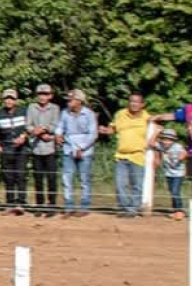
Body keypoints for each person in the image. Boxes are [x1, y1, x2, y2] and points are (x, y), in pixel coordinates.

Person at [99, 91, 150, 217]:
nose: (133, 104)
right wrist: (105, 130)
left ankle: (133, 210)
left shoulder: (147, 118)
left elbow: (156, 130)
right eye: (131, 101)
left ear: (142, 104)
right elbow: (113, 129)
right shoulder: (120, 114)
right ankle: (124, 207)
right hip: (121, 155)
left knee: (137, 185)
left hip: (138, 156)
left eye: (136, 102)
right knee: (120, 184)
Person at [55, 88, 98, 217]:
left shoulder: (89, 114)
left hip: (85, 152)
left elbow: (93, 134)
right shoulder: (64, 113)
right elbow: (60, 127)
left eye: (71, 100)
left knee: (84, 180)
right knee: (67, 179)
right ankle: (69, 207)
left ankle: (84, 207)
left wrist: (82, 148)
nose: (68, 102)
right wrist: (57, 135)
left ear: (79, 101)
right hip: (68, 149)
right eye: (68, 100)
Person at [0, 88, 29, 214]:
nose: (9, 101)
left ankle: (22, 203)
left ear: (16, 100)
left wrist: (24, 137)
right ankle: (10, 202)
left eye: (11, 98)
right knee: (8, 177)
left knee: (21, 175)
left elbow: (29, 127)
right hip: (6, 148)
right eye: (7, 98)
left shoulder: (23, 111)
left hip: (21, 149)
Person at [26, 84, 61, 216]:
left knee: (51, 178)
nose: (42, 96)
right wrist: (36, 132)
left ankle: (51, 205)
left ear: (50, 96)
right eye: (40, 94)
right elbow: (28, 125)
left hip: (50, 147)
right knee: (38, 178)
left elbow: (56, 125)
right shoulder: (31, 107)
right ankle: (39, 205)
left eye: (45, 94)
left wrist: (45, 129)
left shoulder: (55, 108)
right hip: (36, 148)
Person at [152, 128, 186, 220]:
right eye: (164, 139)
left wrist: (181, 157)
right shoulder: (161, 146)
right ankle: (176, 211)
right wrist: (156, 132)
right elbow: (150, 143)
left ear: (173, 140)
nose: (166, 141)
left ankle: (180, 211)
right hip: (168, 173)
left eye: (169, 140)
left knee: (175, 192)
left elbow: (184, 153)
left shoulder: (177, 146)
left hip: (178, 174)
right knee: (172, 192)